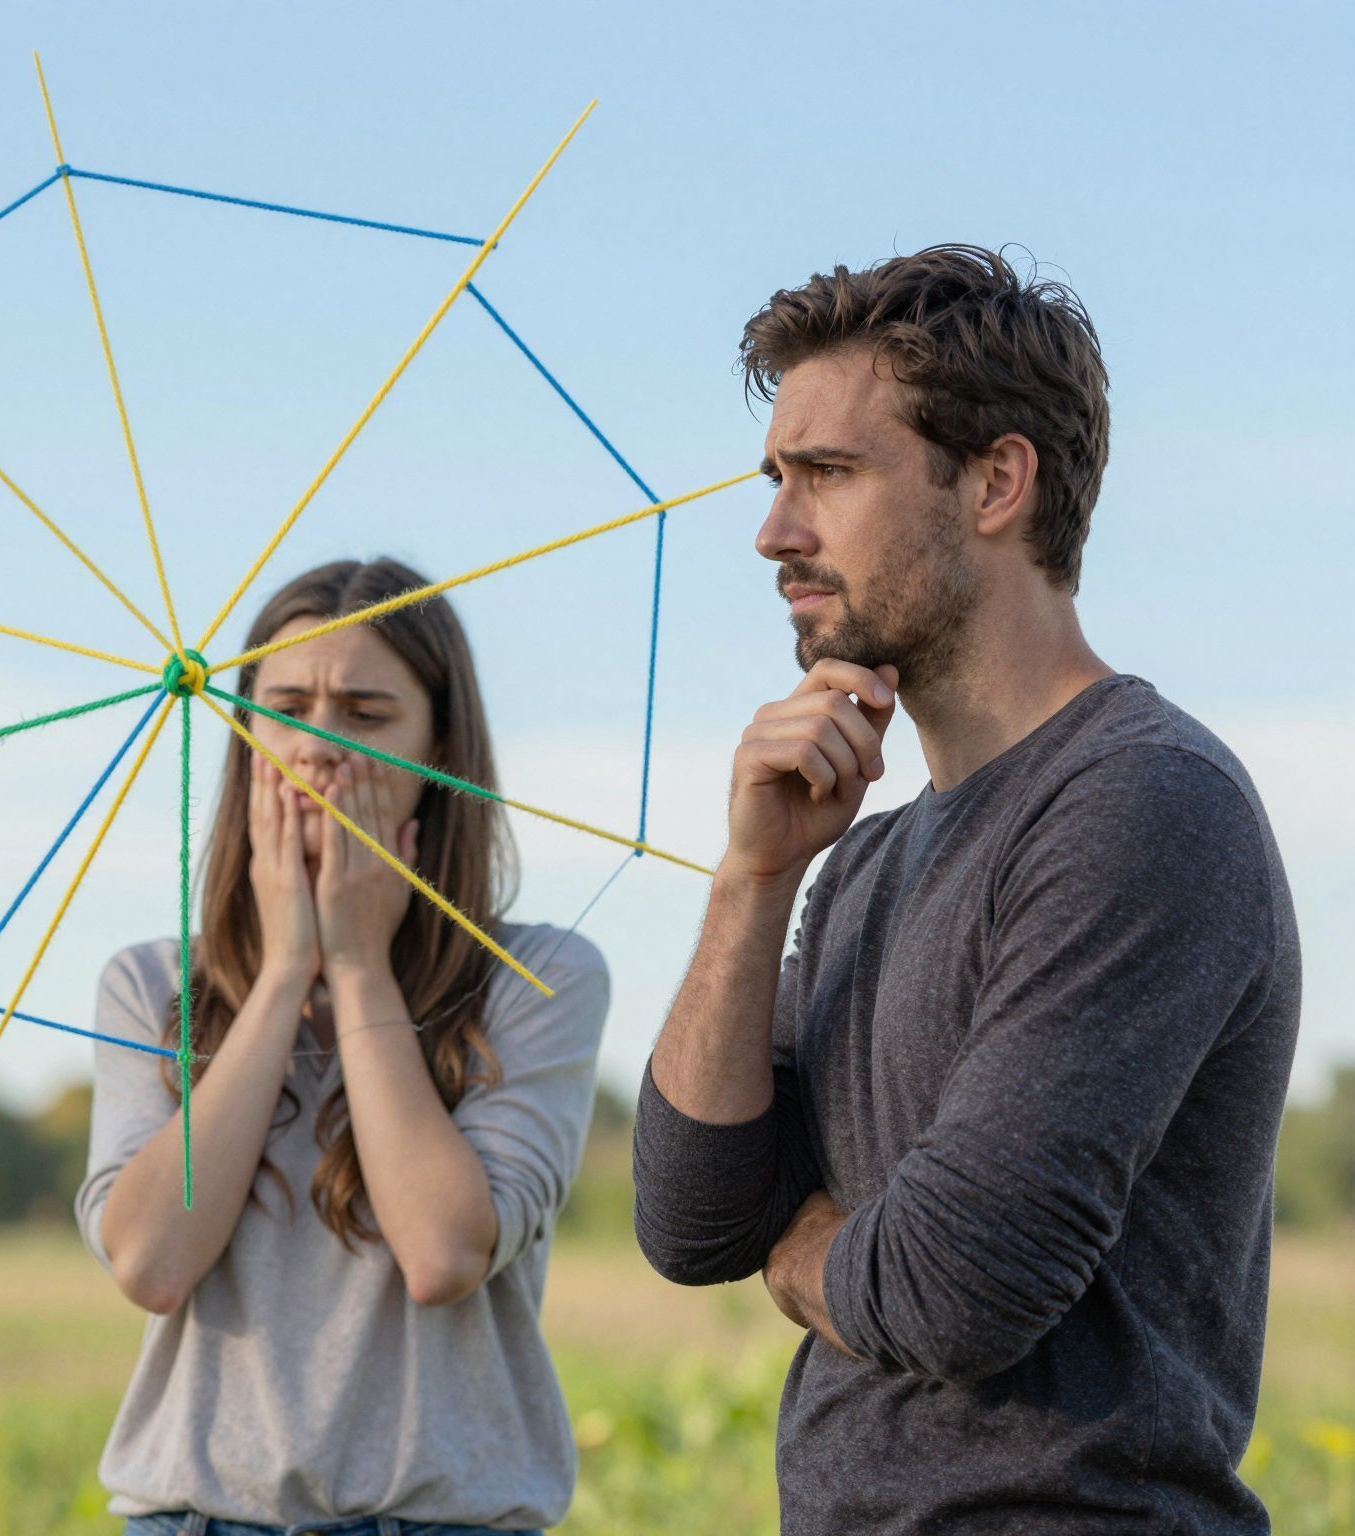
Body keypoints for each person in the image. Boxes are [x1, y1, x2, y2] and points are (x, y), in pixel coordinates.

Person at [630, 245, 1301, 1532]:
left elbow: (956, 1288)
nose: (772, 531)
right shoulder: (863, 858)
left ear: (996, 481)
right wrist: (752, 877)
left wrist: (804, 1247)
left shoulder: (1140, 802)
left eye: (825, 473)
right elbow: (688, 1216)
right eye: (776, 479)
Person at [76, 559, 610, 1536]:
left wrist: (359, 964)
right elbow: (150, 1262)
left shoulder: (536, 979)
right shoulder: (149, 985)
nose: (317, 745)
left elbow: (442, 1251)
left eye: (365, 714)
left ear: (438, 747)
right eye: (285, 707)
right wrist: (283, 974)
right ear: (244, 737)